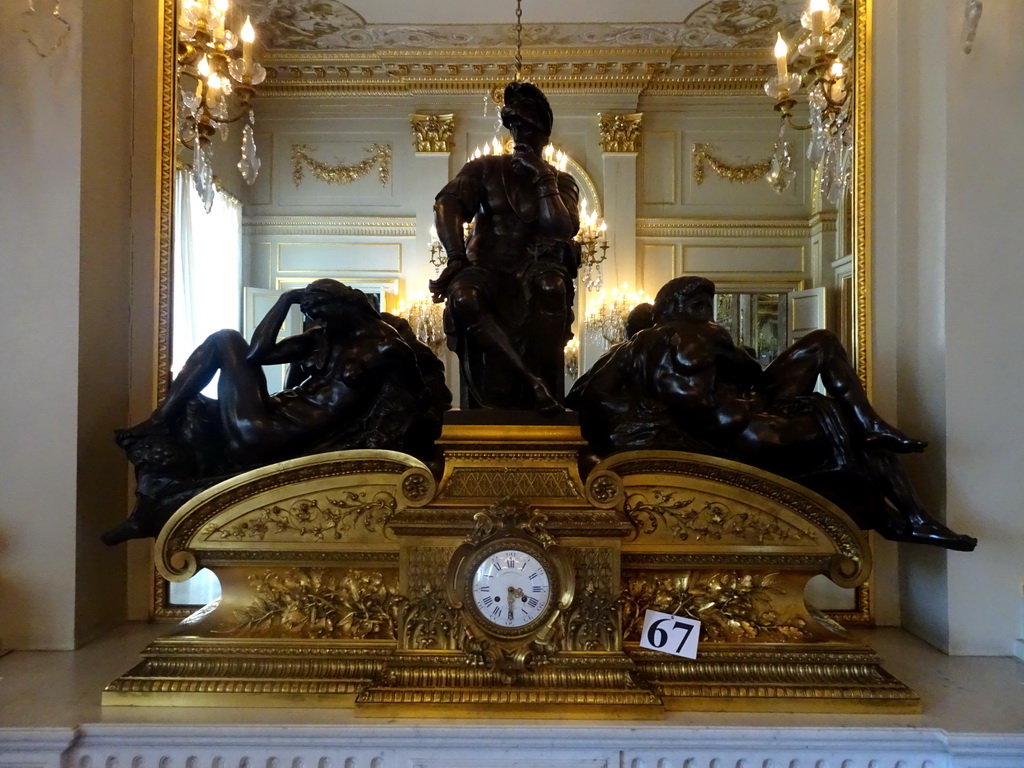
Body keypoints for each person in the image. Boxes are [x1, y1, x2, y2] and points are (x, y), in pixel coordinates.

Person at [568, 276, 977, 551]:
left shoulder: (625, 353)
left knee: (832, 407)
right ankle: (908, 511)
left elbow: (579, 397)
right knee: (828, 371)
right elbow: (752, 372)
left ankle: (898, 509)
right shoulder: (704, 333)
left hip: (725, 432)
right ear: (690, 306)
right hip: (751, 431)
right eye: (704, 305)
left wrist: (644, 418)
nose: (709, 313)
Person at [104, 279, 448, 544]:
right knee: (193, 408)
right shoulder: (321, 339)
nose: (317, 320)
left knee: (225, 340)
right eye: (312, 315)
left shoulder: (386, 344)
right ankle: (146, 507)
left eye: (321, 312)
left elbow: (421, 389)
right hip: (264, 420)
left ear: (344, 303)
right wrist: (285, 300)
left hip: (266, 435)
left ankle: (158, 427)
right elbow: (256, 354)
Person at [429, 80, 581, 414]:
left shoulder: (561, 181)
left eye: (529, 127)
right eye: (516, 125)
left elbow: (560, 229)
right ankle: (533, 384)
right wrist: (456, 257)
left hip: (532, 267)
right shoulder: (484, 170)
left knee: (552, 286)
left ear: (544, 133)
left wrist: (543, 178)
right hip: (484, 267)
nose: (522, 134)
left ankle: (540, 383)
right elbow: (447, 204)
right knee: (464, 297)